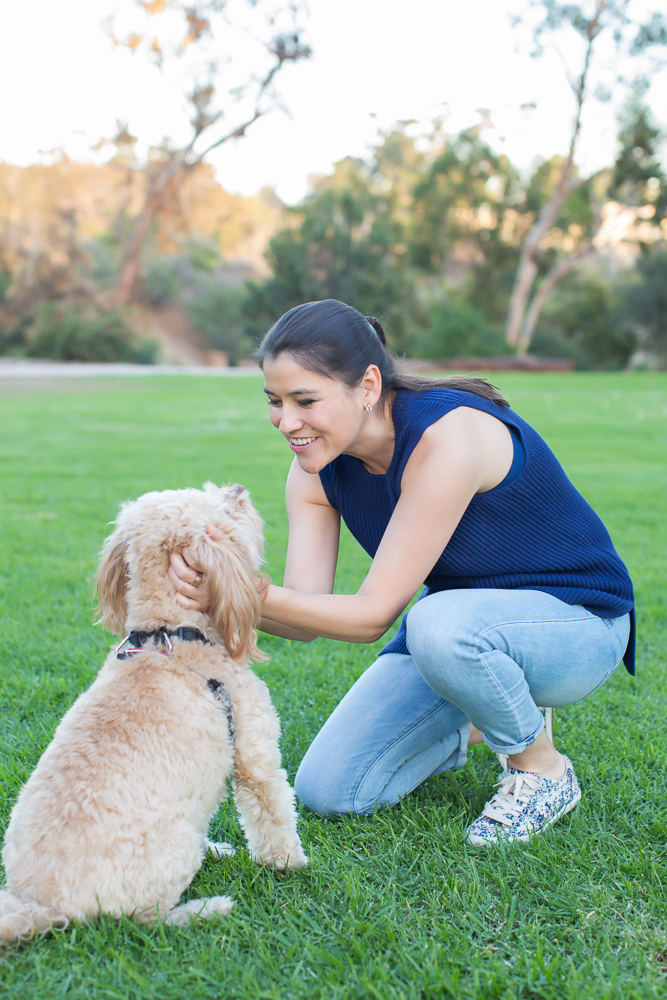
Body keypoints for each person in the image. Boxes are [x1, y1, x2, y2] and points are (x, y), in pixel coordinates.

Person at [169, 299, 634, 846]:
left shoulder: (447, 436)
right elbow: (303, 613)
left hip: (578, 625)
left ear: (367, 386)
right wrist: (212, 593)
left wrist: (249, 591)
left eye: (305, 400)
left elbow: (371, 617)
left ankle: (541, 769)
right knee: (332, 790)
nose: (286, 422)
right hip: (466, 634)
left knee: (435, 623)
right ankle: (482, 712)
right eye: (274, 401)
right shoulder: (316, 468)